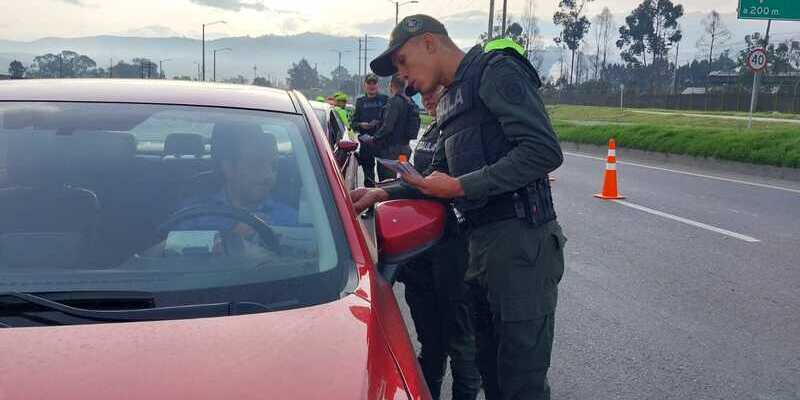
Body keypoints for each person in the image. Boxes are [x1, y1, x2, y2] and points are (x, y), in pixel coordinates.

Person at [351, 15, 567, 400]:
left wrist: (462, 186)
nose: (402, 77)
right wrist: (381, 193)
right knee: (492, 377)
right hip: (479, 250)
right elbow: (434, 178)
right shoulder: (452, 100)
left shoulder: (495, 70)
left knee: (522, 385)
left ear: (429, 43)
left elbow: (543, 150)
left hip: (521, 247)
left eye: (403, 62)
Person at [399, 86, 481, 400]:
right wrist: (386, 190)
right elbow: (422, 182)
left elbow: (466, 187)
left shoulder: (465, 129)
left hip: (456, 254)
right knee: (431, 344)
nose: (427, 97)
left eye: (433, 90)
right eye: (423, 93)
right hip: (423, 253)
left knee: (463, 347)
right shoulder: (434, 127)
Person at [175, 122, 298, 240]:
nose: (268, 175)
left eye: (274, 166)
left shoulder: (290, 219)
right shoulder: (195, 214)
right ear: (228, 168)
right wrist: (229, 237)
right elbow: (167, 250)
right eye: (256, 165)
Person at [369, 74, 418, 182]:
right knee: (402, 179)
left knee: (388, 181)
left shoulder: (394, 101)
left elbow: (388, 127)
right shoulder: (410, 102)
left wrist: (374, 138)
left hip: (391, 151)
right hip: (404, 149)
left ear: (391, 85)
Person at [351, 73, 389, 188]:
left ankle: (383, 197)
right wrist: (361, 125)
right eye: (369, 83)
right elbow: (353, 123)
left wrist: (379, 123)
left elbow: (391, 120)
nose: (371, 86)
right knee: (368, 178)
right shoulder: (360, 101)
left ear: (378, 85)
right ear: (365, 85)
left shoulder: (385, 99)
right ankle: (370, 198)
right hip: (366, 143)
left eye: (374, 83)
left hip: (382, 143)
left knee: (385, 178)